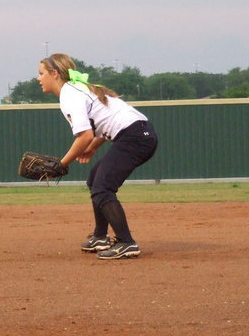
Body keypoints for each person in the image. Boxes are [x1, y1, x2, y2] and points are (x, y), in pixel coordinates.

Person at [37, 53, 158, 260]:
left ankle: (126, 242)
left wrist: (60, 164)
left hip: (135, 137)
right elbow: (103, 122)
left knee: (103, 187)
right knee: (95, 179)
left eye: (41, 73)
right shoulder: (78, 89)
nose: (38, 78)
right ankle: (100, 237)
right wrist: (93, 148)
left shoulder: (69, 94)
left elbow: (84, 136)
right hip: (137, 134)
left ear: (55, 74)